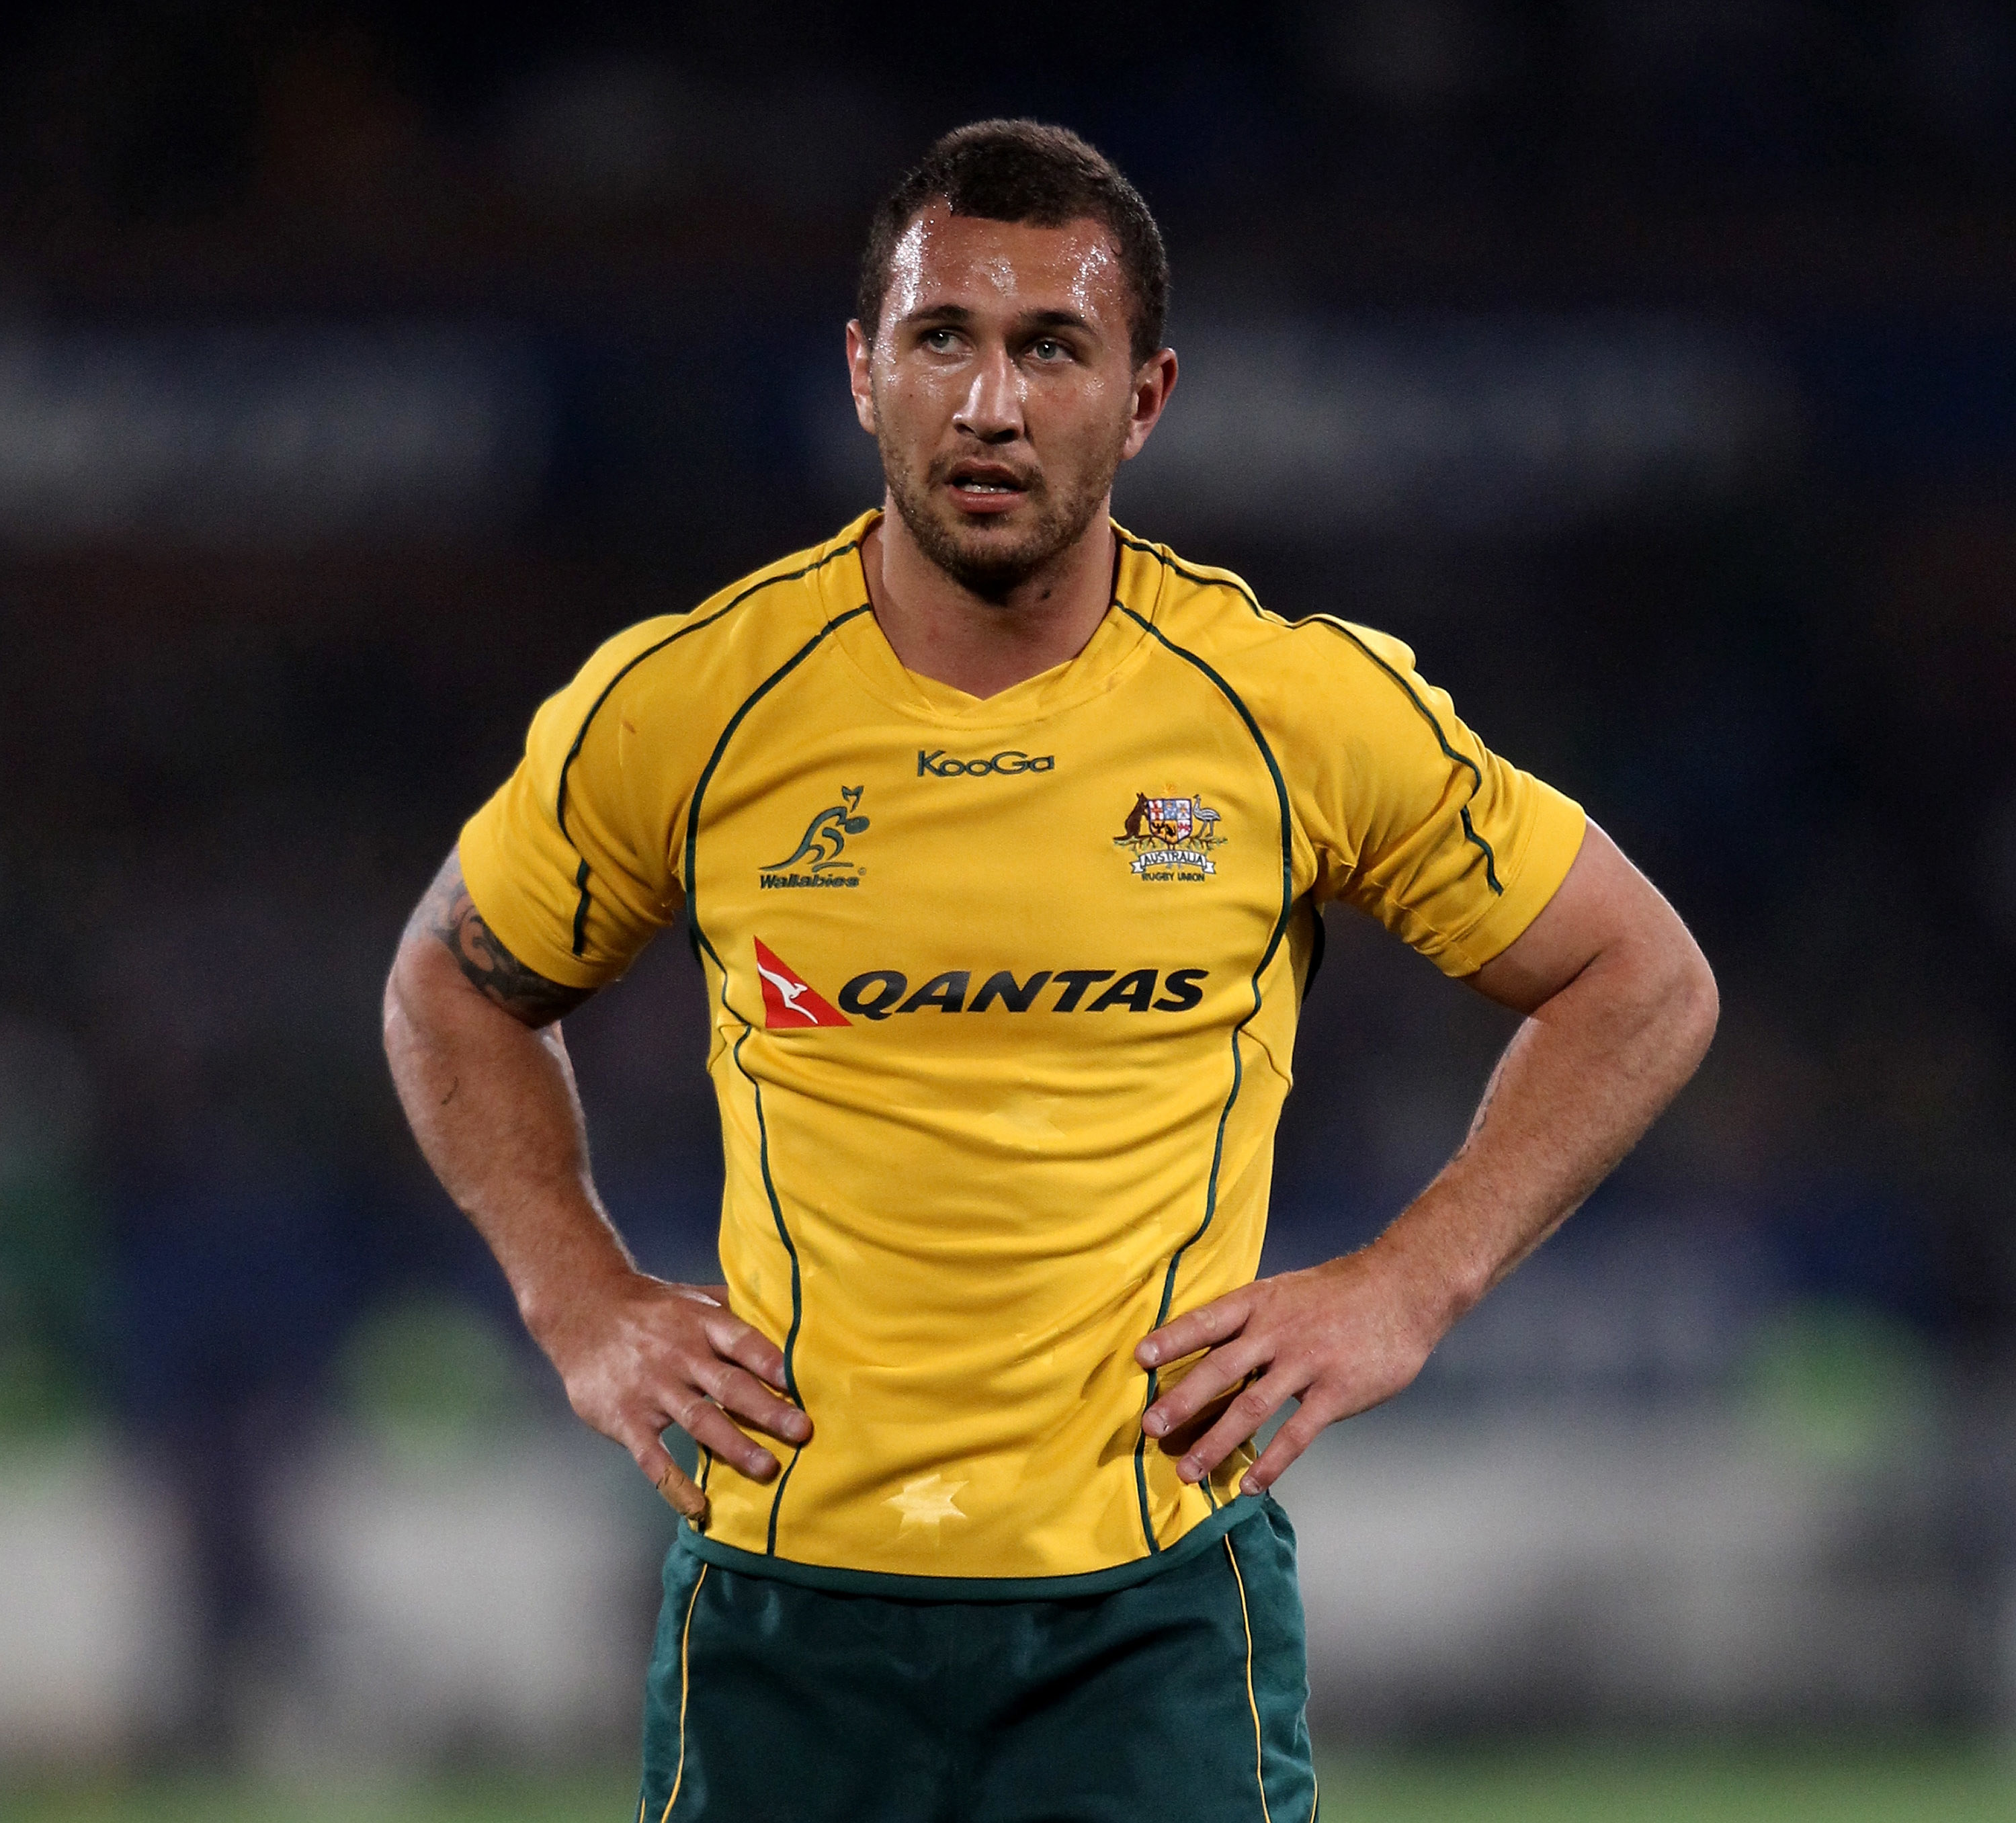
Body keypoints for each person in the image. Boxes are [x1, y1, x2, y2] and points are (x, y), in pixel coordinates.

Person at [382, 119, 1717, 1822]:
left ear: (1144, 397)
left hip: (1151, 1626)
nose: (991, 402)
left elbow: (1642, 977)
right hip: (791, 1624)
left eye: (1050, 346)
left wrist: (1409, 1282)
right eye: (943, 337)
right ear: (864, 374)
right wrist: (579, 1299)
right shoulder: (690, 702)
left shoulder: (1285, 706)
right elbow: (450, 984)